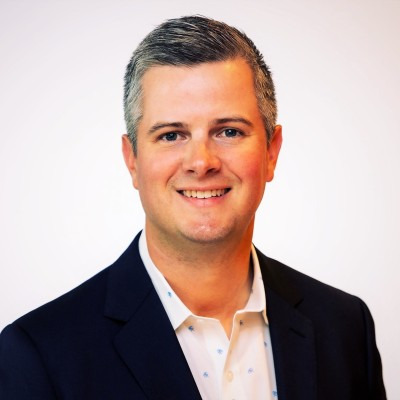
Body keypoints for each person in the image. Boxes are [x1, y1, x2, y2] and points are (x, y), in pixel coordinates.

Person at [0, 15, 386, 400]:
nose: (201, 162)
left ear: (271, 152)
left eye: (229, 131)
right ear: (132, 160)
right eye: (172, 135)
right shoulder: (38, 355)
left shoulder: (345, 327)